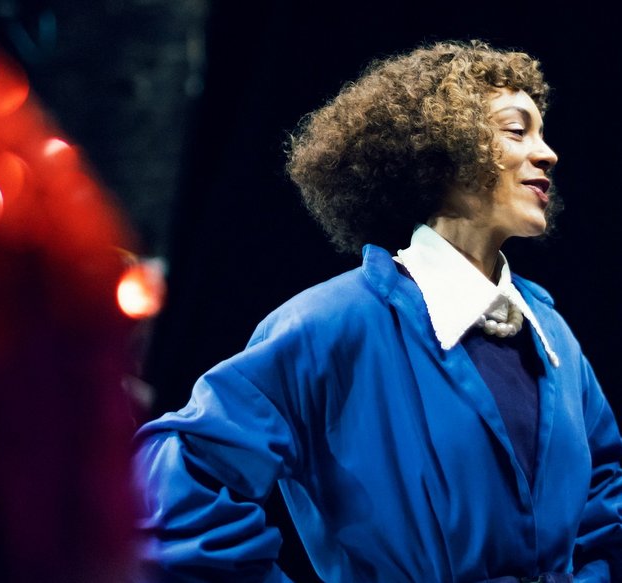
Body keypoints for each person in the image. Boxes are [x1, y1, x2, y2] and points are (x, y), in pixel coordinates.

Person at [133, 40, 622, 582]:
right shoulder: (332, 323)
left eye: (542, 133)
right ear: (444, 148)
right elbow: (179, 489)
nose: (547, 153)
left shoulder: (552, 335)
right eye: (516, 130)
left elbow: (606, 497)